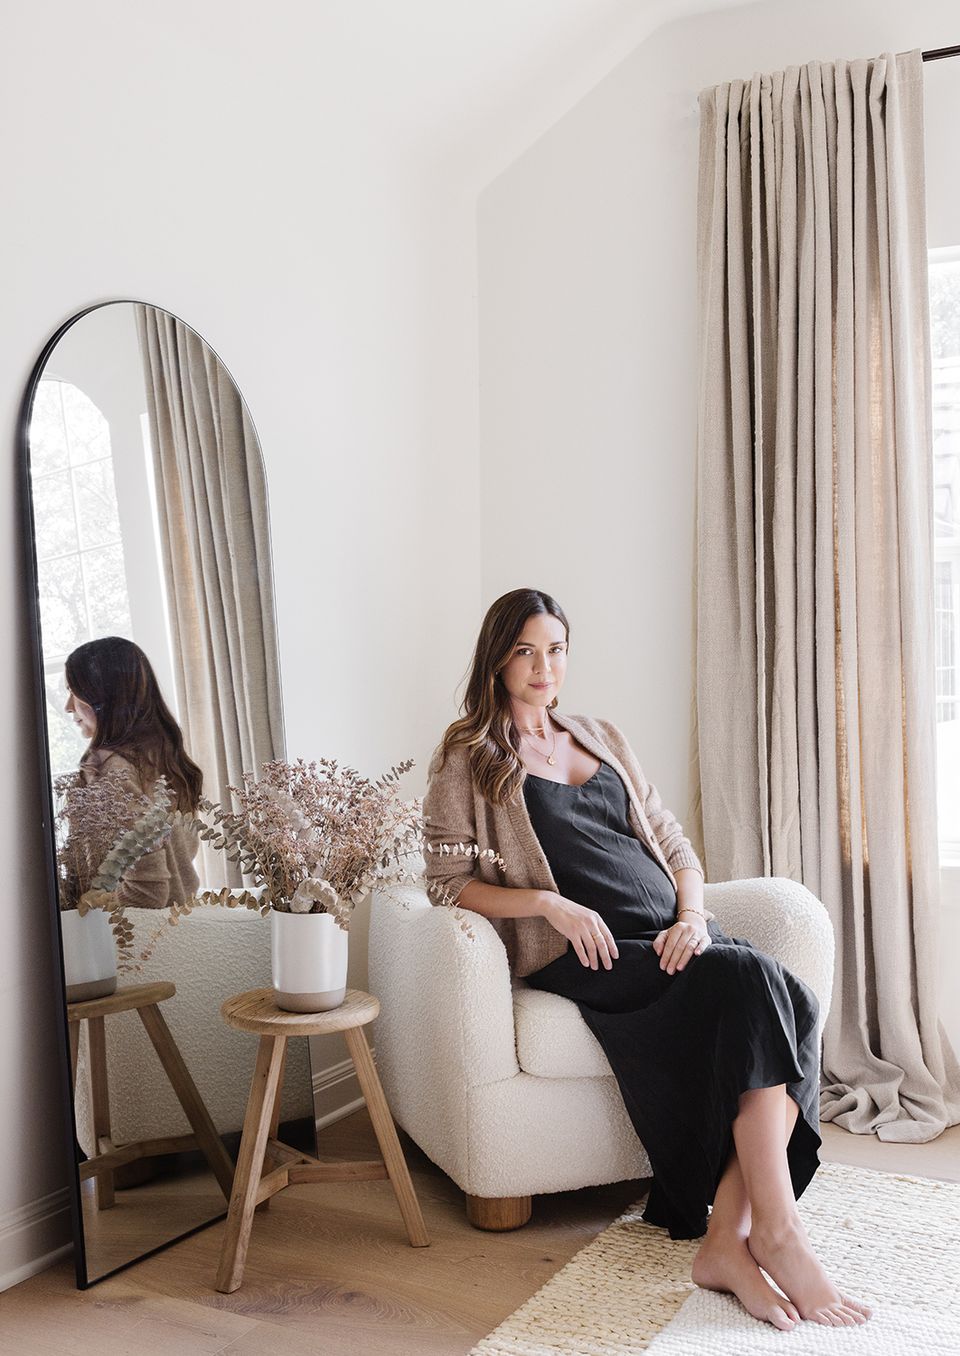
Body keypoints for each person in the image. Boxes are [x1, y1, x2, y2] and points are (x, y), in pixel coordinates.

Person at [422, 588, 872, 1332]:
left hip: (677, 939)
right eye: (526, 650)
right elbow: (444, 881)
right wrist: (547, 905)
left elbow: (674, 844)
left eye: (556, 649)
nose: (544, 666)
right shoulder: (468, 756)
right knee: (761, 982)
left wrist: (693, 916)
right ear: (498, 658)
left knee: (791, 995)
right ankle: (780, 1236)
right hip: (594, 956)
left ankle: (728, 1241)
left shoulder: (600, 734)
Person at [64, 636, 202, 909]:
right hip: (182, 931)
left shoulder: (109, 769)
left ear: (103, 696)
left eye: (74, 691)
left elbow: (147, 892)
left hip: (127, 941)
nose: (68, 706)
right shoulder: (167, 760)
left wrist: (90, 909)